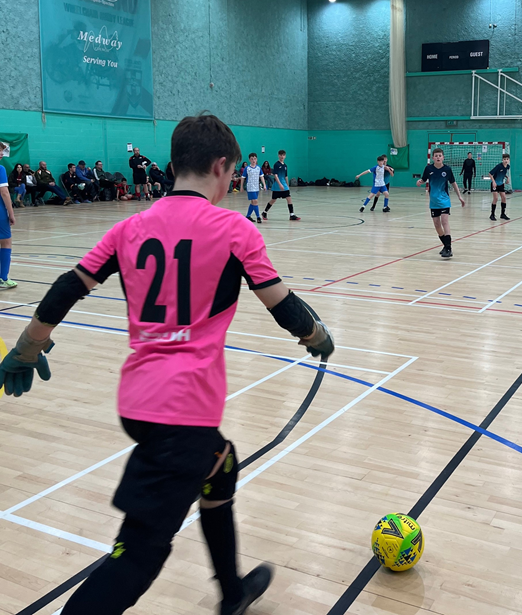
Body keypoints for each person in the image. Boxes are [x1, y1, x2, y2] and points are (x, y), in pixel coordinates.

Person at [0, 112, 334, 615]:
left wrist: (29, 345)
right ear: (221, 167)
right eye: (232, 173)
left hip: (138, 401)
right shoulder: (235, 229)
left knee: (221, 465)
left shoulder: (129, 228)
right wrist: (316, 335)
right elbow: (283, 305)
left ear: (174, 166)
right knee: (138, 556)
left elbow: (68, 287)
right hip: (183, 410)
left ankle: (232, 592)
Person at [416, 148, 465, 258]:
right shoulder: (428, 169)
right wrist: (420, 182)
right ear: (433, 158)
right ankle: (446, 246)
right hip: (433, 201)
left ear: (443, 157)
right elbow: (424, 179)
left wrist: (459, 196)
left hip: (444, 200)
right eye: (436, 156)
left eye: (440, 155)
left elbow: (453, 183)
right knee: (437, 224)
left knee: (444, 222)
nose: (438, 157)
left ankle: (449, 248)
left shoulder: (447, 169)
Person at [262, 150, 301, 221]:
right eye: (281, 155)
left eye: (283, 155)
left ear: (285, 156)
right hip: (277, 186)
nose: (282, 156)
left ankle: (292, 215)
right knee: (273, 200)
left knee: (289, 198)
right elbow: (275, 175)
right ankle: (264, 212)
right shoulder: (276, 164)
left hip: (284, 185)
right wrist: (280, 184)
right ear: (278, 155)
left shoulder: (285, 166)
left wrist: (287, 185)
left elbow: (286, 176)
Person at [0, 148, 17, 289]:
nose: (1, 154)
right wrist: (11, 213)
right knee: (6, 243)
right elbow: (4, 192)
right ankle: (3, 278)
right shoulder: (0, 169)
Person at [241, 154, 265, 223]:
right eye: (252, 159)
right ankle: (258, 217)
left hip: (256, 187)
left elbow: (261, 176)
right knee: (255, 201)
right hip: (250, 187)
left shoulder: (258, 168)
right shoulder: (247, 168)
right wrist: (241, 186)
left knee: (253, 202)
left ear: (256, 159)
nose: (253, 160)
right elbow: (243, 177)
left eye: (254, 159)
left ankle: (248, 216)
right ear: (249, 160)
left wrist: (264, 185)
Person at [488, 154, 510, 220]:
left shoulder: (507, 166)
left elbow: (503, 173)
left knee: (504, 197)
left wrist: (507, 178)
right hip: (495, 184)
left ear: (509, 160)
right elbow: (490, 174)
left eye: (507, 159)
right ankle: (492, 215)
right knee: (496, 198)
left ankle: (502, 214)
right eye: (504, 159)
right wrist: (493, 182)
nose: (506, 160)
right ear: (502, 160)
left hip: (501, 184)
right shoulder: (498, 166)